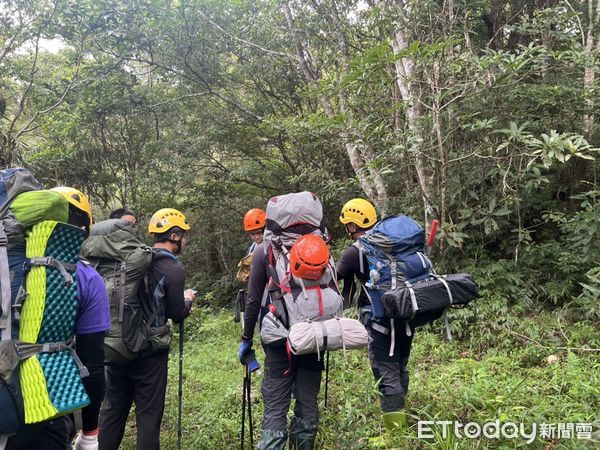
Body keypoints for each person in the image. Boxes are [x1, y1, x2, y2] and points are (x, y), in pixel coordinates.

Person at [6, 187, 111, 450]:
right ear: (82, 230)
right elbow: (93, 365)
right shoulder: (85, 277)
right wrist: (89, 433)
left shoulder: (7, 262)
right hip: (43, 414)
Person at [239, 192, 331, 450]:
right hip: (314, 335)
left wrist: (247, 338)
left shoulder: (263, 250)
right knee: (307, 398)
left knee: (276, 401)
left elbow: (253, 301)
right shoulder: (319, 244)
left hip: (280, 338)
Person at [98, 208, 196, 450]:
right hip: (150, 354)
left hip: (119, 347)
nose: (184, 240)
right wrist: (188, 301)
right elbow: (175, 312)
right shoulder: (172, 268)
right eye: (183, 235)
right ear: (174, 236)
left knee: (112, 412)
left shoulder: (133, 261)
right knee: (149, 417)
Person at [336, 198, 413, 444]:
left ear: (352, 225)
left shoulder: (355, 251)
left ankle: (395, 434)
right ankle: (402, 413)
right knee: (399, 366)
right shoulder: (393, 243)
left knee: (386, 372)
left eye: (347, 224)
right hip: (407, 314)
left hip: (380, 320)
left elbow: (335, 276)